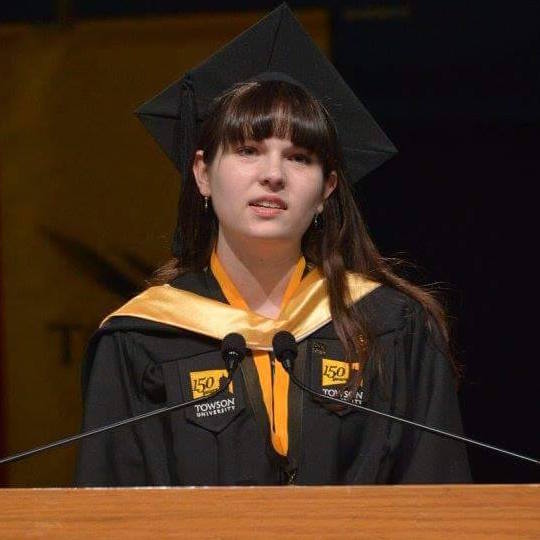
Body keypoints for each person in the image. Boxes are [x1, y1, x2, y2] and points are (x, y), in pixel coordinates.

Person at [75, 5, 471, 486]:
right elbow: (108, 516)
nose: (273, 175)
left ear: (327, 189)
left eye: (299, 157)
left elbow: (439, 504)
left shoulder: (392, 327)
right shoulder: (142, 340)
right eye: (247, 150)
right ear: (202, 174)